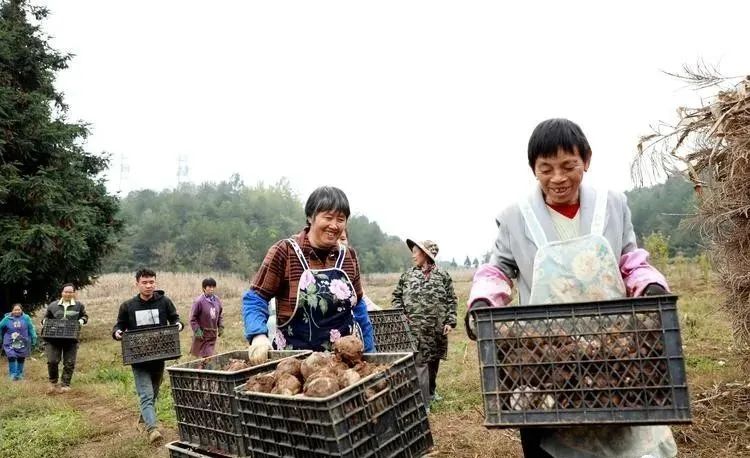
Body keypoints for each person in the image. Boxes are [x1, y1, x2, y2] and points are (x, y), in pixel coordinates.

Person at [465, 118, 677, 457]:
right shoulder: (515, 217)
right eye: (545, 168)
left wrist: (649, 285)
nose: (558, 178)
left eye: (568, 166)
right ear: (533, 168)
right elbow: (498, 269)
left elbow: (630, 258)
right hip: (545, 357)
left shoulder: (612, 205)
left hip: (613, 352)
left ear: (587, 161)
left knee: (621, 428)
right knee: (548, 439)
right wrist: (483, 300)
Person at [242, 186, 375, 364]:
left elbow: (358, 306)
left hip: (342, 364)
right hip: (294, 366)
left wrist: (370, 349)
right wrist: (258, 335)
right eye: (328, 217)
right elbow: (256, 298)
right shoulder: (285, 252)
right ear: (310, 217)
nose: (334, 225)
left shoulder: (348, 256)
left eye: (341, 219)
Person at [112, 268, 183, 444]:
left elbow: (175, 320)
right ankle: (152, 429)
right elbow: (118, 327)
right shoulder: (128, 306)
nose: (148, 285)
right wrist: (118, 333)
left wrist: (179, 326)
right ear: (137, 284)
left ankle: (143, 420)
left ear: (155, 283)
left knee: (153, 393)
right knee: (146, 394)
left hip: (160, 355)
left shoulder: (164, 302)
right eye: (144, 282)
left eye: (152, 282)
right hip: (138, 357)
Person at [392, 239, 457, 408]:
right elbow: (396, 297)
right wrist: (401, 314)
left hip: (437, 329)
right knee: (420, 363)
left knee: (434, 360)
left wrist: (450, 321)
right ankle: (423, 403)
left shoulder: (443, 276)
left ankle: (431, 392)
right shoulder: (407, 276)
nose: (413, 255)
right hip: (415, 329)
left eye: (416, 252)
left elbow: (451, 299)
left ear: (425, 254)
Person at [43, 283, 88, 393]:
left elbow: (84, 316)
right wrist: (44, 322)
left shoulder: (79, 306)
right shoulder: (53, 305)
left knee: (69, 362)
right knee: (52, 361)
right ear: (62, 293)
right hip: (53, 338)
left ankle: (65, 384)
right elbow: (46, 318)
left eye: (70, 292)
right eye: (66, 292)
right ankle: (53, 382)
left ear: (73, 293)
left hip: (71, 338)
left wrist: (81, 321)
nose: (68, 294)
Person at [0, 304, 37, 380]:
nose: (17, 311)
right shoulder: (7, 318)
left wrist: (34, 336)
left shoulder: (26, 318)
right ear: (12, 311)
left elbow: (31, 327)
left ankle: (19, 374)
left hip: (22, 341)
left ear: (21, 310)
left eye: (18, 310)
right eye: (15, 310)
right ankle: (12, 374)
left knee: (21, 357)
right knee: (11, 356)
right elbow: (0, 327)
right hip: (9, 341)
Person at [189, 277, 224, 358]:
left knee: (209, 357)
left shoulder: (217, 300)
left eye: (213, 287)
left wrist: (221, 326)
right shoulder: (199, 301)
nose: (212, 289)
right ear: (204, 288)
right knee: (204, 357)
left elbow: (220, 315)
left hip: (213, 334)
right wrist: (197, 330)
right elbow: (193, 318)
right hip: (202, 335)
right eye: (209, 287)